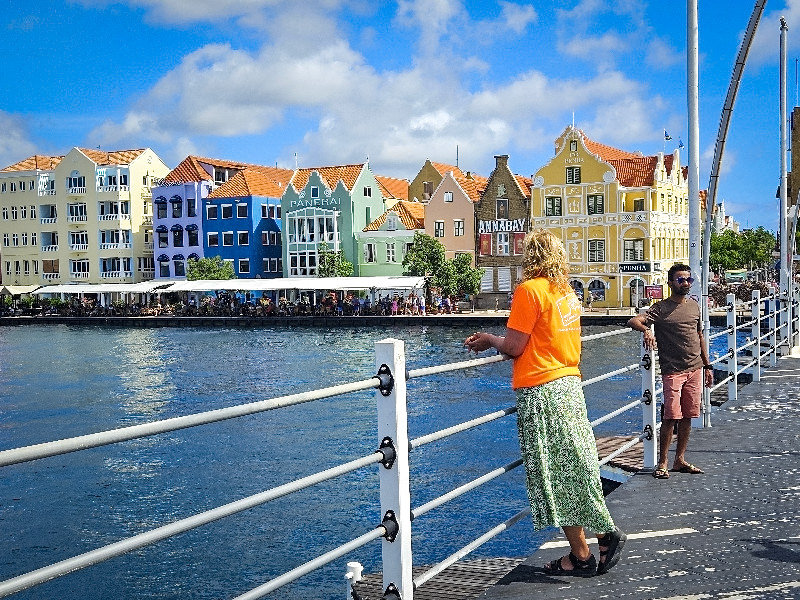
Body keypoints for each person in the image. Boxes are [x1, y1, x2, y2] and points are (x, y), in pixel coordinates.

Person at [464, 229, 626, 577]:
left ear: (531, 256)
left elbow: (514, 346)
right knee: (572, 466)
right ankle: (581, 554)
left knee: (553, 471)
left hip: (542, 390)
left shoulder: (530, 290)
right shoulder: (566, 293)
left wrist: (490, 338)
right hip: (569, 384)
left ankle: (603, 533)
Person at [627, 263, 713, 479]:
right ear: (670, 283)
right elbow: (634, 320)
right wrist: (647, 330)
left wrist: (707, 365)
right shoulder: (661, 308)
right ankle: (662, 463)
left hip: (695, 368)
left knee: (688, 416)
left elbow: (700, 336)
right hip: (672, 371)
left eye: (688, 280)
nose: (685, 283)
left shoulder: (694, 306)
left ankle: (680, 460)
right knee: (670, 416)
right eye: (680, 280)